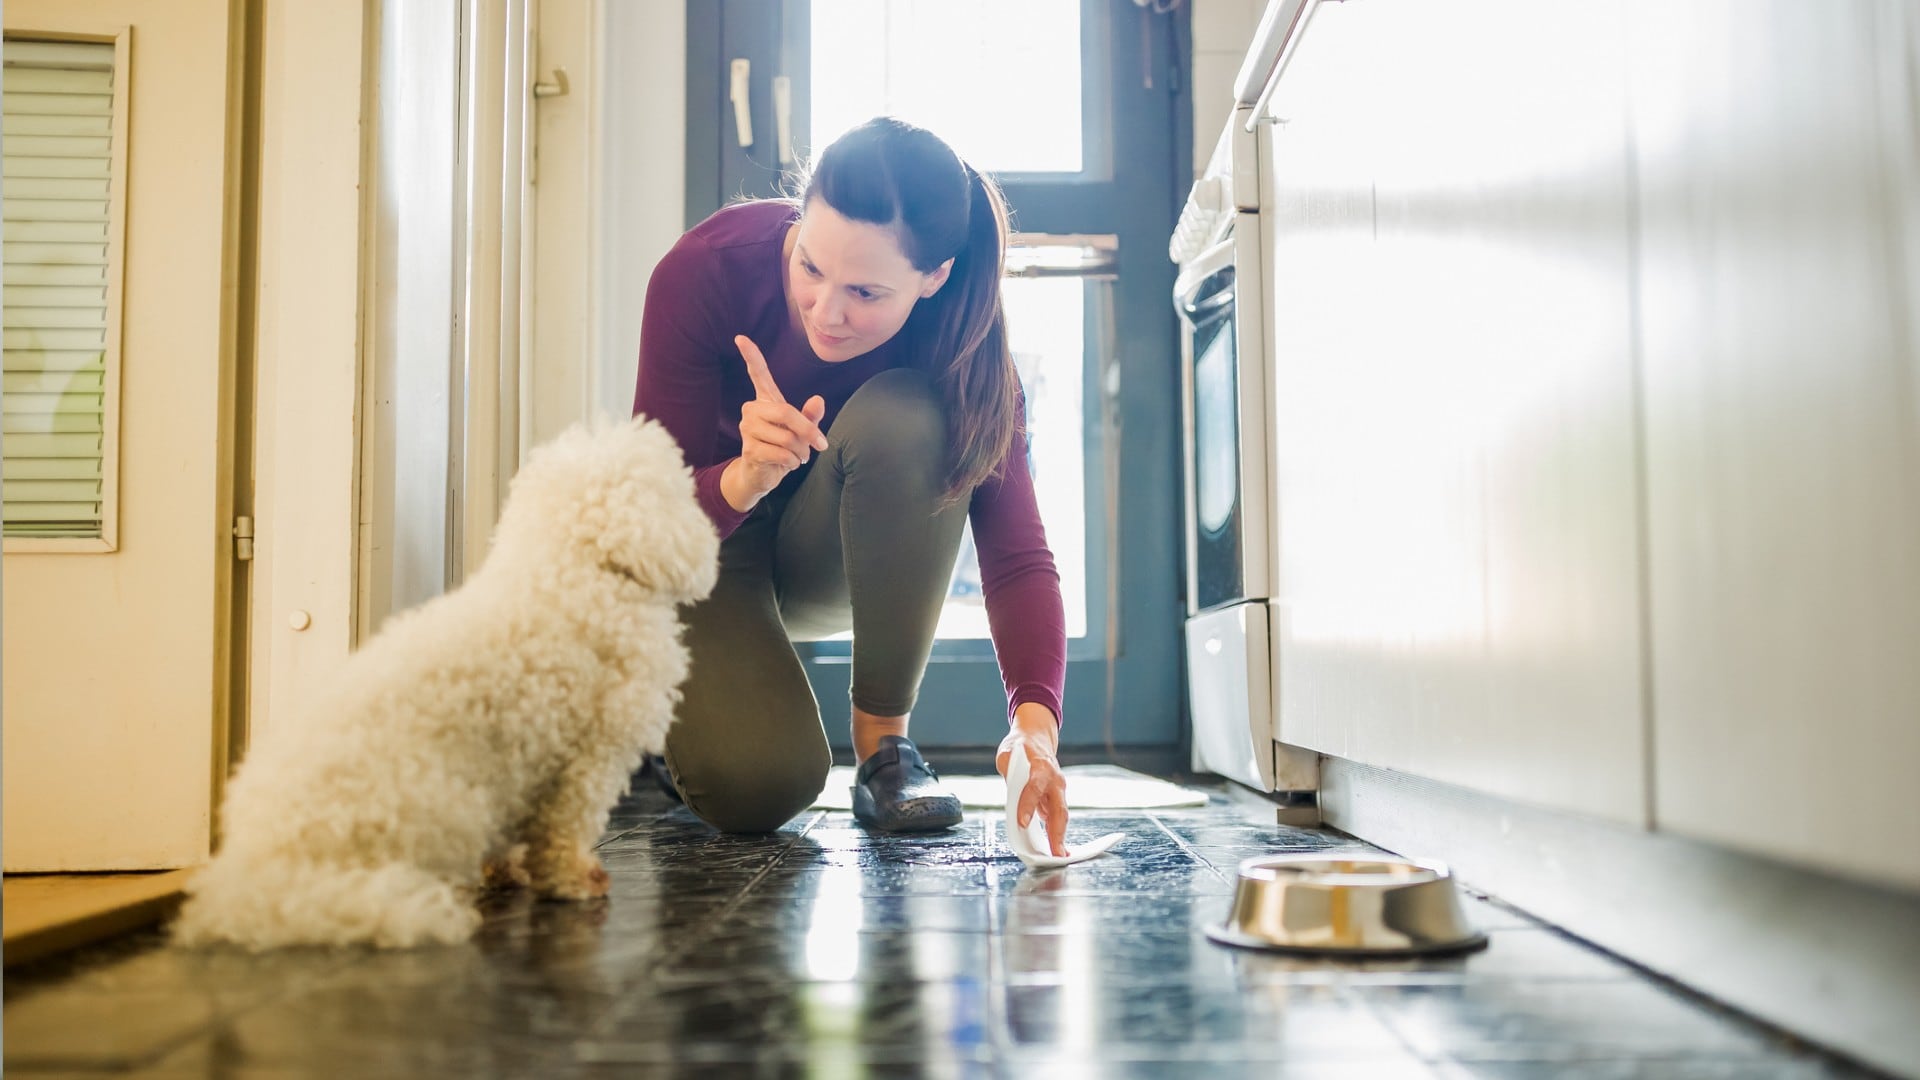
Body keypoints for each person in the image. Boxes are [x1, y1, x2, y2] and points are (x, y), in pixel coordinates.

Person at [632, 116, 1072, 854]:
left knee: (914, 418)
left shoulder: (963, 345)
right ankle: (676, 734)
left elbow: (1018, 554)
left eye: (865, 292)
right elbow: (646, 522)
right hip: (707, 550)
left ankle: (885, 753)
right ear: (800, 218)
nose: (825, 313)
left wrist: (1037, 728)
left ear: (934, 278)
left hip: (829, 552)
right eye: (809, 268)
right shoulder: (705, 270)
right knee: (756, 785)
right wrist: (743, 477)